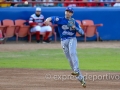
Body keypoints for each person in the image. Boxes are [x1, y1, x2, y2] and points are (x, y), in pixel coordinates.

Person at [44, 7, 86, 88]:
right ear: (65, 12)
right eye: (67, 11)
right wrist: (47, 20)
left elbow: (82, 33)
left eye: (70, 12)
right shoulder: (60, 19)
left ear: (72, 14)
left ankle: (76, 70)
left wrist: (75, 28)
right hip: (63, 40)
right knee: (70, 60)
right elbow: (51, 18)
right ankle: (81, 78)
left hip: (72, 39)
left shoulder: (74, 22)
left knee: (73, 53)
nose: (68, 13)